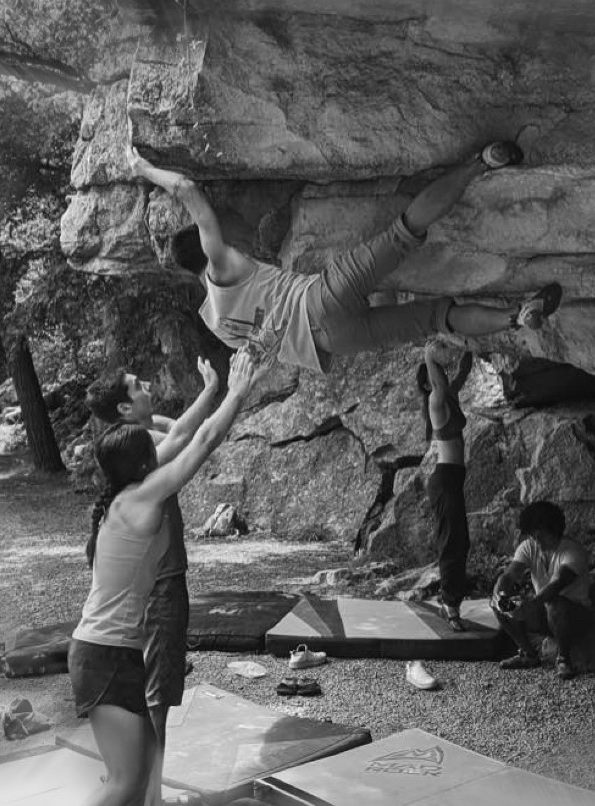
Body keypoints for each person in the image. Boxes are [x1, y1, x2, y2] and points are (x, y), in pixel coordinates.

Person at [127, 143, 563, 374]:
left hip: (332, 343)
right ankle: (481, 164)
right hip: (320, 299)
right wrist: (143, 168)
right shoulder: (219, 265)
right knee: (404, 231)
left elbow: (263, 356)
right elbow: (186, 190)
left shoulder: (217, 324)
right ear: (202, 251)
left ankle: (516, 318)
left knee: (436, 320)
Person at [71, 348, 267, 806]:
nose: (162, 446)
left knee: (134, 781)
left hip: (110, 653)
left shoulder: (124, 494)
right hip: (103, 655)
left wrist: (216, 390)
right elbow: (199, 443)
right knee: (124, 782)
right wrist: (237, 390)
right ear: (146, 464)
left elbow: (182, 435)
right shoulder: (137, 501)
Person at [84, 356, 221, 806]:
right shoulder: (140, 459)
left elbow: (175, 424)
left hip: (152, 590)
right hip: (156, 589)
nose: (146, 383)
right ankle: (151, 798)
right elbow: (189, 436)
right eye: (136, 384)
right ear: (123, 411)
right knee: (157, 696)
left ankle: (146, 794)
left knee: (149, 710)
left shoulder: (132, 443)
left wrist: (204, 395)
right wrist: (224, 388)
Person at [491, 501, 595, 681]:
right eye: (533, 535)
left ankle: (564, 659)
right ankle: (528, 654)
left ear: (554, 531)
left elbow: (557, 585)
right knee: (498, 604)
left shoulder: (572, 551)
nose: (536, 540)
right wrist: (500, 592)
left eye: (541, 535)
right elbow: (509, 575)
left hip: (574, 618)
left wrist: (531, 605)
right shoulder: (530, 547)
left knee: (555, 604)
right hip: (546, 614)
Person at [418, 344, 475, 631]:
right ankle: (449, 606)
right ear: (429, 382)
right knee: (452, 542)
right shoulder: (435, 402)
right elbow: (439, 382)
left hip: (452, 479)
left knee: (461, 541)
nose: (443, 377)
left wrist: (471, 346)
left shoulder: (449, 398)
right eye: (435, 376)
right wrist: (429, 355)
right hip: (444, 480)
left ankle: (450, 600)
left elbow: (464, 370)